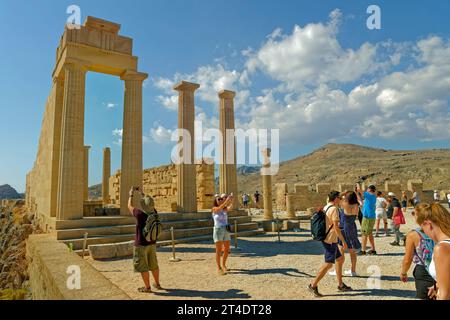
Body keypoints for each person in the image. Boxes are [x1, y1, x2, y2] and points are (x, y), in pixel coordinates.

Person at [308, 191, 352, 297]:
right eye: (340, 198)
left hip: (328, 238)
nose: (341, 200)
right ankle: (313, 285)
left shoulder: (327, 206)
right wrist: (344, 241)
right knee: (328, 264)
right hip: (330, 240)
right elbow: (336, 227)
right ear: (336, 199)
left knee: (340, 259)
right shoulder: (334, 209)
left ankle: (340, 284)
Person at [128, 187, 162, 294]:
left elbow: (129, 206)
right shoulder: (154, 212)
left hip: (141, 244)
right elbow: (148, 203)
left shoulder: (139, 214)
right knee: (154, 264)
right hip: (152, 242)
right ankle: (157, 283)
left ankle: (147, 287)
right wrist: (142, 193)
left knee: (143, 266)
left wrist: (131, 195)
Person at [415, 203, 450, 300]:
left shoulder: (442, 248)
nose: (424, 233)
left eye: (423, 229)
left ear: (428, 224)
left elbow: (445, 295)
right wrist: (438, 285)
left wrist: (441, 289)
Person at [400, 213, 436, 300]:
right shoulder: (443, 230)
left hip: (424, 271)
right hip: (442, 269)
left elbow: (407, 259)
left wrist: (403, 273)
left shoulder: (413, 234)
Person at [329, 191, 361, 277]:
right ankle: (353, 271)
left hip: (344, 227)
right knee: (352, 250)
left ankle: (338, 270)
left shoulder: (344, 203)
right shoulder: (356, 205)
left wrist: (344, 193)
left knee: (341, 249)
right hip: (352, 227)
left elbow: (336, 198)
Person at [212, 193, 233, 275]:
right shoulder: (214, 209)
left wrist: (231, 201)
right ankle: (219, 268)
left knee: (227, 249)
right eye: (219, 199)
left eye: (221, 199)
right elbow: (219, 208)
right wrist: (226, 201)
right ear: (216, 201)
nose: (220, 200)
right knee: (218, 250)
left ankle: (224, 265)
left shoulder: (224, 209)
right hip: (218, 230)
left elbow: (231, 207)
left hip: (226, 230)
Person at [359, 185, 377, 255]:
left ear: (369, 190)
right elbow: (361, 198)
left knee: (364, 234)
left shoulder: (369, 195)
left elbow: (360, 190)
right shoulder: (373, 197)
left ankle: (363, 251)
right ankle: (373, 250)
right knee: (370, 233)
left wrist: (358, 183)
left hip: (367, 218)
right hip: (372, 217)